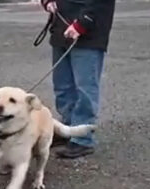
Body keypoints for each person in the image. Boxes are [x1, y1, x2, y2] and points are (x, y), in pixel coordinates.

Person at [40, 0, 116, 159]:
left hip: (90, 33)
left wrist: (82, 23)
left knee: (85, 88)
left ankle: (83, 138)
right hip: (61, 26)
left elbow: (101, 3)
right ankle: (67, 129)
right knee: (62, 86)